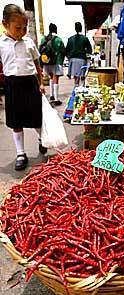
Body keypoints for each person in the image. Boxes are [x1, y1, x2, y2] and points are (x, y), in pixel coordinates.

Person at [0, 4, 46, 171]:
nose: (22, 31)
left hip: (30, 83)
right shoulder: (1, 43)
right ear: (5, 24)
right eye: (18, 27)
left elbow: (36, 63)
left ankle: (42, 139)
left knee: (36, 116)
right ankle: (21, 153)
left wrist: (41, 82)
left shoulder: (28, 42)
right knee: (16, 121)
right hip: (12, 84)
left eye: (25, 27)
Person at [40, 23, 65, 105]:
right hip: (56, 62)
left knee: (51, 77)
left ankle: (51, 95)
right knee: (55, 79)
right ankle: (56, 99)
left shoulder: (44, 39)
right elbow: (63, 51)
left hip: (46, 62)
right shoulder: (58, 39)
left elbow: (40, 49)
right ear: (55, 29)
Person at [66, 22, 92, 86]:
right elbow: (90, 50)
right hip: (82, 59)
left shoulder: (70, 39)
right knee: (82, 76)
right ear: (81, 28)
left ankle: (76, 87)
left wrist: (69, 57)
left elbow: (66, 50)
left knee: (76, 77)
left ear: (75, 28)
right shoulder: (85, 38)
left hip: (73, 59)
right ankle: (82, 87)